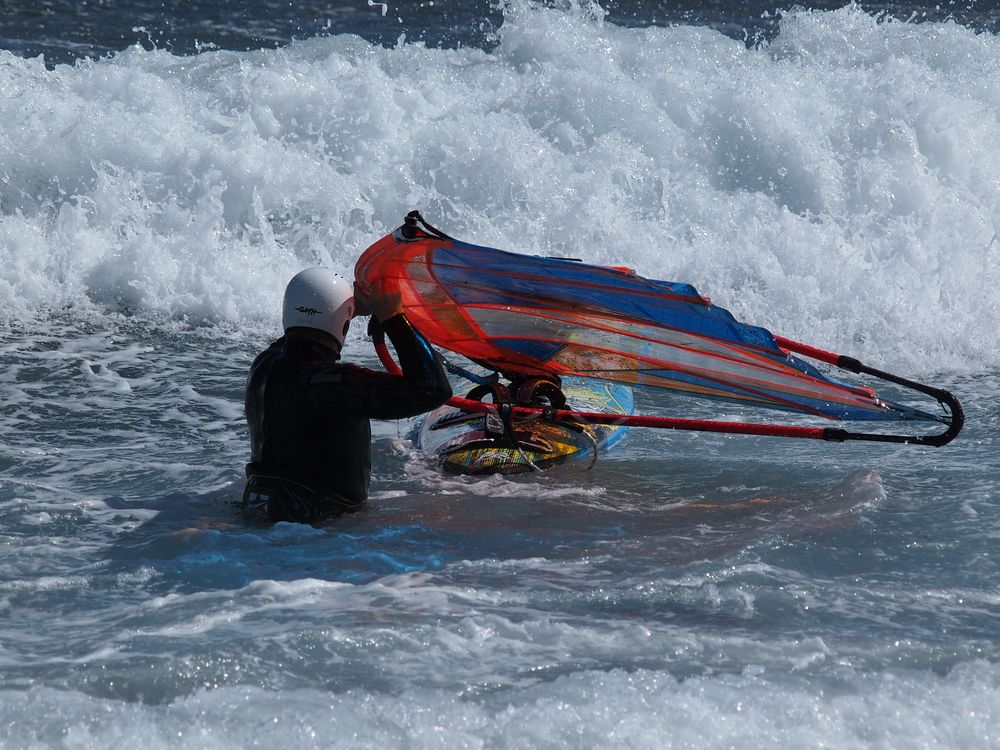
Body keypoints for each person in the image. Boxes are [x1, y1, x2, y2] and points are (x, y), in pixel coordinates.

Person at [243, 267, 452, 523]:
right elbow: (433, 390)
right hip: (320, 521)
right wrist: (393, 317)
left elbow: (307, 328)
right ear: (342, 322)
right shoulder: (331, 384)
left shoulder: (263, 364)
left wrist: (345, 309)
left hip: (259, 503)